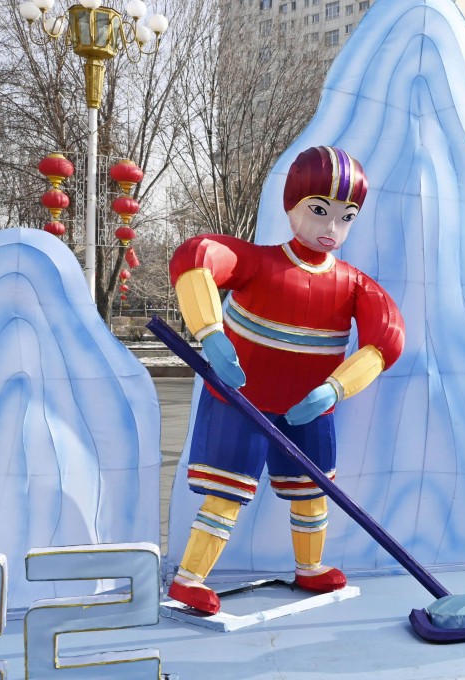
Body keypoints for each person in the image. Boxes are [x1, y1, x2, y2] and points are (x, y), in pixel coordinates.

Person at [166, 146, 406, 614]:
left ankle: (310, 568)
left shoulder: (354, 284)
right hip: (241, 402)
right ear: (291, 206)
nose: (331, 229)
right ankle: (189, 579)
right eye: (319, 211)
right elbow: (196, 257)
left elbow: (387, 339)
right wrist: (211, 333)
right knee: (226, 496)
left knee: (312, 494)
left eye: (346, 217)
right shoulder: (257, 262)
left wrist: (335, 388)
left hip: (308, 408)